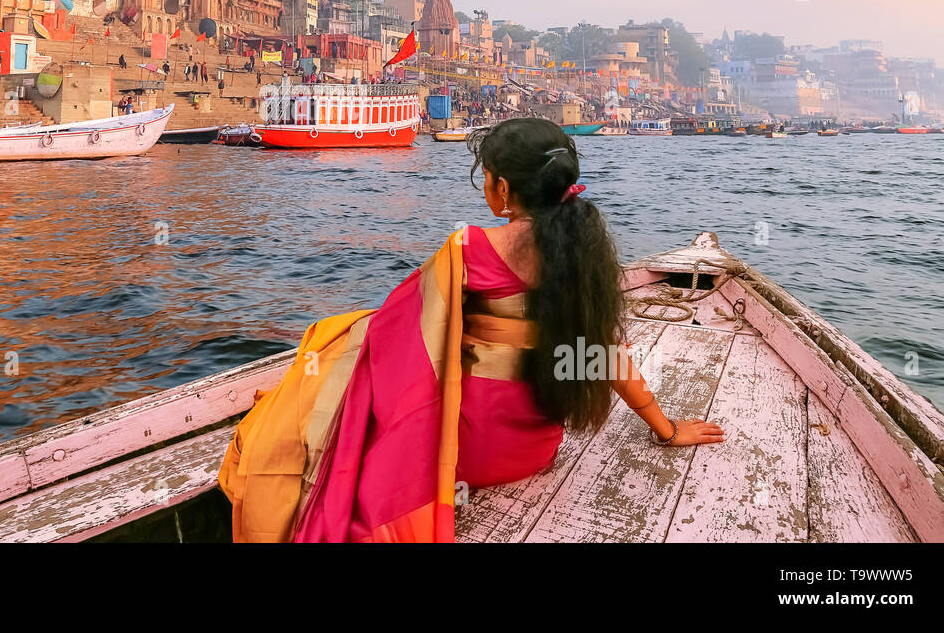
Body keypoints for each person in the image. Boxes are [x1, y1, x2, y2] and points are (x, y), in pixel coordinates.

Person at [218, 118, 723, 542]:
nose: (485, 186)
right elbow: (607, 357)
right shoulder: (587, 256)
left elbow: (402, 326)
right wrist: (667, 428)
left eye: (487, 176)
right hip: (534, 451)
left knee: (347, 338)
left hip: (463, 457)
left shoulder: (469, 247)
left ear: (503, 188)